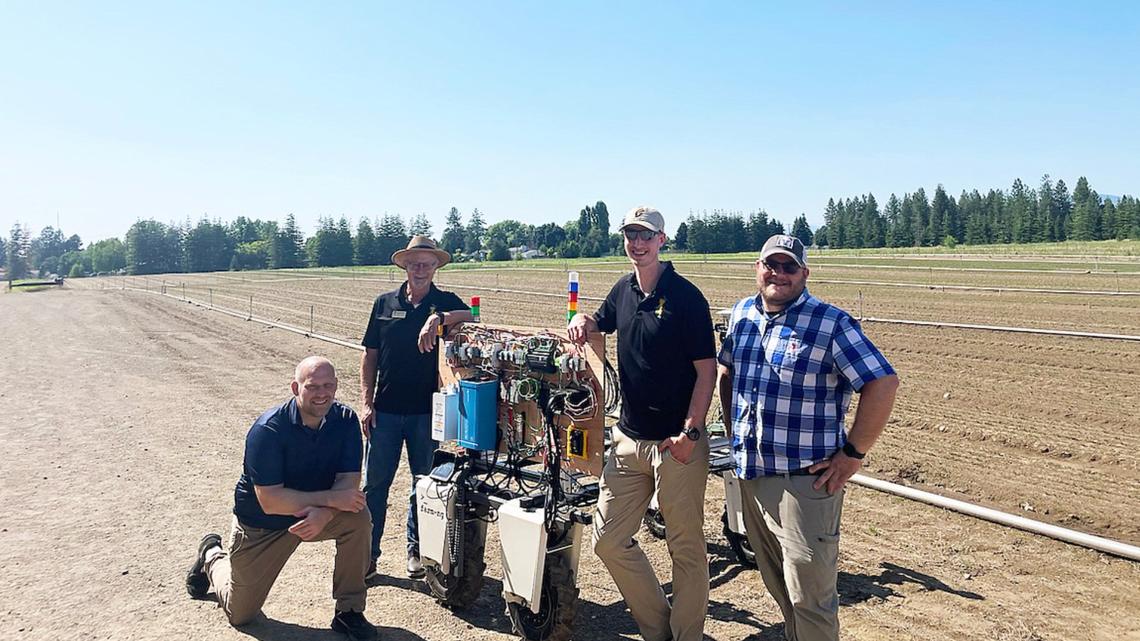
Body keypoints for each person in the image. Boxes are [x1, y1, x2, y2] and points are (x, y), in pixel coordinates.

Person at [717, 234, 899, 641]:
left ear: (804, 274)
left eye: (789, 267)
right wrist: (735, 430)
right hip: (753, 475)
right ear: (757, 269)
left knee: (811, 598)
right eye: (771, 265)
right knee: (778, 583)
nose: (778, 274)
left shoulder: (830, 322)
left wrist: (852, 454)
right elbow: (727, 372)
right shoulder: (743, 314)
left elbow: (882, 382)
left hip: (806, 483)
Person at [568, 206, 716, 641]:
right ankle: (659, 630)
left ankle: (686, 636)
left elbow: (706, 372)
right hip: (629, 441)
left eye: (646, 235)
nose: (638, 243)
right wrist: (583, 319)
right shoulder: (623, 290)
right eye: (631, 235)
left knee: (685, 549)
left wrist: (691, 433)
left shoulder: (686, 298)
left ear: (662, 239)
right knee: (608, 541)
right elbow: (601, 320)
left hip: (676, 444)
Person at [186, 356, 377, 641]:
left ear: (336, 386)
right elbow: (271, 501)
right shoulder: (268, 430)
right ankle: (211, 557)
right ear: (295, 388)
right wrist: (330, 502)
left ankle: (349, 612)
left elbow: (348, 486)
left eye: (328, 385)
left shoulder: (345, 420)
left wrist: (325, 513)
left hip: (315, 515)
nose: (322, 393)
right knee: (242, 614)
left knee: (358, 518)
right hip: (264, 525)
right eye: (312, 387)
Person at [360, 235, 472, 579]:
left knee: (423, 484)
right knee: (375, 486)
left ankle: (417, 551)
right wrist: (367, 403)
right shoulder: (383, 304)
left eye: (427, 263)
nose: (420, 269)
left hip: (428, 413)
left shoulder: (444, 301)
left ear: (436, 266)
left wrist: (438, 319)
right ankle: (367, 554)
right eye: (414, 263)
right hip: (386, 411)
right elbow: (370, 356)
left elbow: (472, 315)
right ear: (404, 266)